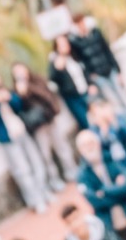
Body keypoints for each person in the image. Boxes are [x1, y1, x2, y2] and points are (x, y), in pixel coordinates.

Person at [0, 70, 51, 212]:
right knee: (23, 170)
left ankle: (44, 191)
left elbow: (19, 105)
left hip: (21, 132)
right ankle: (35, 199)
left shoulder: (7, 91)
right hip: (8, 139)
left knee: (36, 162)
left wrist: (9, 99)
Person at [72, 13, 126, 135]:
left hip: (110, 71)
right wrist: (91, 79)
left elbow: (107, 51)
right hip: (99, 77)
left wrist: (118, 70)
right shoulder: (76, 42)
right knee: (116, 105)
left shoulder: (95, 33)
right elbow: (81, 64)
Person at [10, 60, 77, 189]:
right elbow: (18, 109)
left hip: (49, 118)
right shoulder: (16, 91)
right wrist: (20, 94)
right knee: (46, 155)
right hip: (37, 126)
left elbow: (48, 95)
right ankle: (54, 180)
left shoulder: (37, 81)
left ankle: (71, 170)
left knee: (62, 146)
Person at [75, 129, 126, 237]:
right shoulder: (82, 175)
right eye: (85, 145)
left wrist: (104, 190)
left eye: (91, 143)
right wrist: (118, 190)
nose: (90, 147)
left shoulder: (111, 160)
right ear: (80, 150)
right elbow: (95, 201)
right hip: (109, 227)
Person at [48, 34, 95, 130]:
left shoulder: (74, 56)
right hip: (73, 97)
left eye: (65, 43)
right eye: (61, 44)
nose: (65, 46)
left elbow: (84, 70)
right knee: (85, 122)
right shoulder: (55, 62)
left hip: (85, 91)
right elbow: (53, 80)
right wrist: (57, 68)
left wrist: (90, 84)